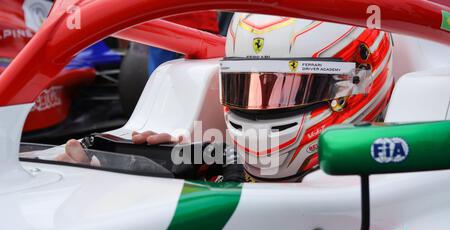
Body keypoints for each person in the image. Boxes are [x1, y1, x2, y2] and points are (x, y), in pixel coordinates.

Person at [58, 13, 394, 182]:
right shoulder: (217, 161)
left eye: (293, 89)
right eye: (246, 89)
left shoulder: (399, 185)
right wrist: (117, 171)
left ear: (358, 84)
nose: (261, 110)